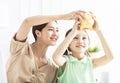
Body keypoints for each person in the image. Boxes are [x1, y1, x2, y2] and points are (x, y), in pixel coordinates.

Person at [6, 10, 84, 83]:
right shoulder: (20, 49)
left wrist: (74, 32)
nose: (55, 34)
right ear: (38, 33)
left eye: (57, 30)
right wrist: (63, 17)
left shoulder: (52, 68)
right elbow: (27, 22)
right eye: (50, 29)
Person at [52, 12, 113, 83]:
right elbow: (55, 57)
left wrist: (98, 31)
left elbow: (110, 57)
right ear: (68, 43)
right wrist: (73, 33)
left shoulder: (91, 63)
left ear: (89, 43)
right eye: (75, 38)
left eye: (84, 38)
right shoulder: (66, 62)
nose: (80, 41)